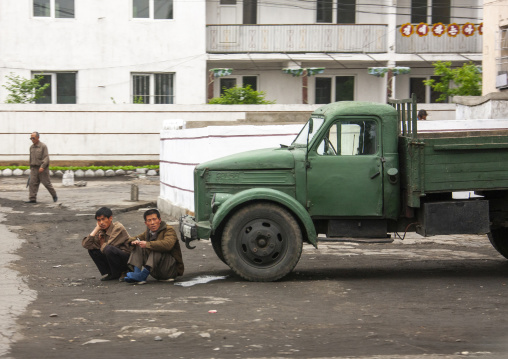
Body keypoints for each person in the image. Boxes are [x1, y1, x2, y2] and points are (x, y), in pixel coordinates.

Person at [123, 209, 184, 284]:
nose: (152, 223)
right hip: (156, 271)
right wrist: (133, 242)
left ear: (159, 220)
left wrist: (147, 244)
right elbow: (135, 238)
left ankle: (143, 275)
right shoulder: (148, 231)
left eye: (154, 219)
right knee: (138, 244)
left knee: (157, 246)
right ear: (146, 223)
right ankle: (137, 274)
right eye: (149, 220)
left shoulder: (169, 230)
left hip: (169, 270)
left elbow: (168, 244)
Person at [82, 207, 132, 281]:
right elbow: (86, 245)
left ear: (110, 218)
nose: (101, 222)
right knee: (92, 250)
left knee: (108, 249)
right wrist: (96, 229)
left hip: (127, 259)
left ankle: (124, 271)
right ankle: (112, 273)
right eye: (99, 220)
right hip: (113, 255)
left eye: (103, 219)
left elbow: (109, 246)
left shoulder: (118, 228)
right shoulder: (100, 230)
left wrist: (102, 242)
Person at [26, 132, 58, 203]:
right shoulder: (31, 147)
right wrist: (31, 168)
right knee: (32, 183)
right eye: (31, 138)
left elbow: (46, 157)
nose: (32, 139)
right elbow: (31, 158)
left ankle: (54, 195)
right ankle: (32, 198)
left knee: (47, 183)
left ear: (38, 137)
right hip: (34, 168)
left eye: (33, 138)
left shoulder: (43, 146)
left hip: (42, 169)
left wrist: (42, 167)